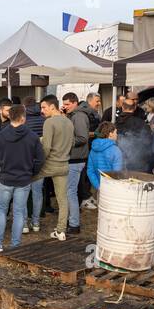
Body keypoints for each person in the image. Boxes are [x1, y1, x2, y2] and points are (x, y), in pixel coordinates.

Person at [0, 104, 45, 254]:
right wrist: (32, 172)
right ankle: (15, 246)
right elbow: (40, 159)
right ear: (23, 118)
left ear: (10, 116)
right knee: (19, 212)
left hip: (6, 178)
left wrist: (3, 165)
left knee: (1, 211)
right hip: (24, 180)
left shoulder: (0, 136)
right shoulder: (33, 137)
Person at [29, 95, 72, 240]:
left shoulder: (49, 122)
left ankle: (26, 222)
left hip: (49, 164)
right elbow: (71, 144)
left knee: (23, 181)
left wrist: (38, 162)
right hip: (64, 164)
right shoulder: (68, 122)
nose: (42, 111)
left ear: (52, 107)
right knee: (62, 199)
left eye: (44, 107)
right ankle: (61, 231)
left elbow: (46, 147)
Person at [63, 92, 92, 231]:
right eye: (64, 104)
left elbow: (82, 138)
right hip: (74, 158)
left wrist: (65, 142)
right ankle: (71, 221)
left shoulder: (79, 116)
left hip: (76, 159)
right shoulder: (73, 115)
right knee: (71, 192)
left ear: (75, 103)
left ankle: (74, 225)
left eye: (67, 104)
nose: (65, 106)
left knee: (71, 193)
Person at [113, 98, 151, 171]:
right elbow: (148, 141)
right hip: (137, 160)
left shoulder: (115, 123)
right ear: (135, 108)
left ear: (123, 107)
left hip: (120, 158)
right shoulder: (141, 123)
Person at [87, 122, 123, 194]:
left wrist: (99, 187)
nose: (117, 134)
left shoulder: (93, 149)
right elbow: (116, 173)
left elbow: (90, 171)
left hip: (97, 188)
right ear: (110, 134)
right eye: (115, 132)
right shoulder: (116, 150)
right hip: (112, 190)